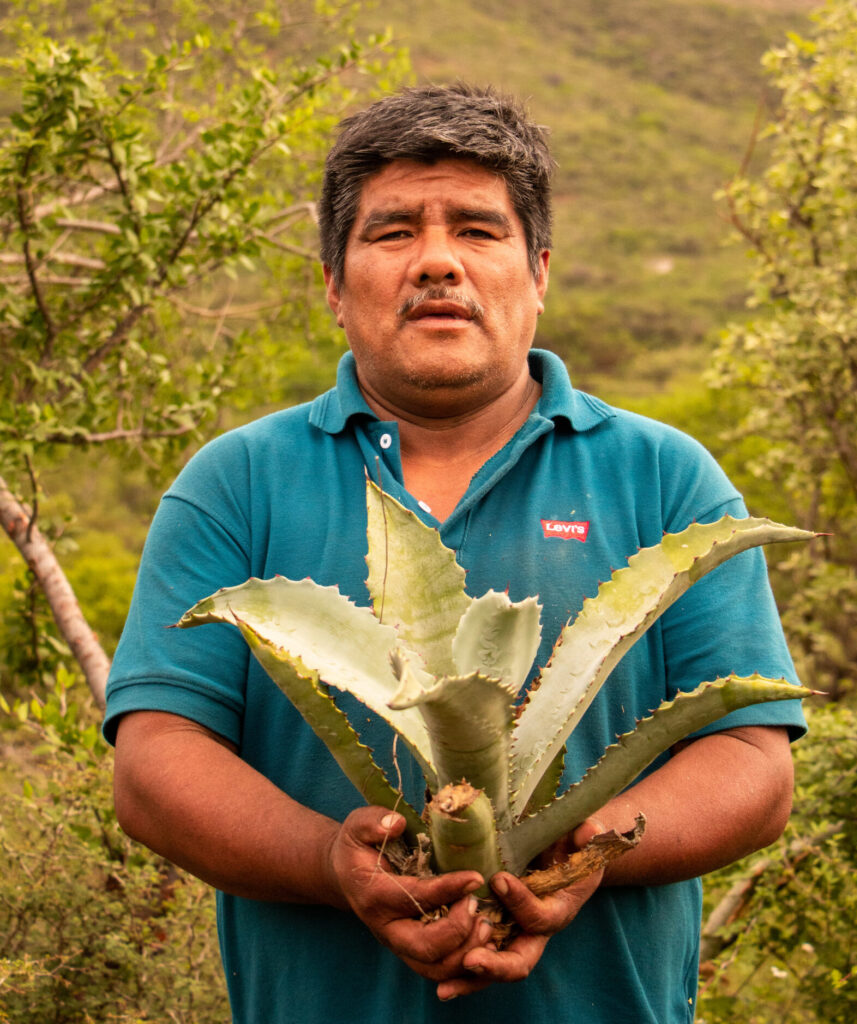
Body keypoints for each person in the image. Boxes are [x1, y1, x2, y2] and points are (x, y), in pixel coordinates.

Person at [105, 83, 806, 1024]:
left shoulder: (665, 479)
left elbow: (755, 763)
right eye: (393, 233)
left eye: (478, 230)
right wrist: (329, 863)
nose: (438, 261)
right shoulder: (234, 483)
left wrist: (587, 850)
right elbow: (155, 761)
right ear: (332, 282)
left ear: (540, 270)